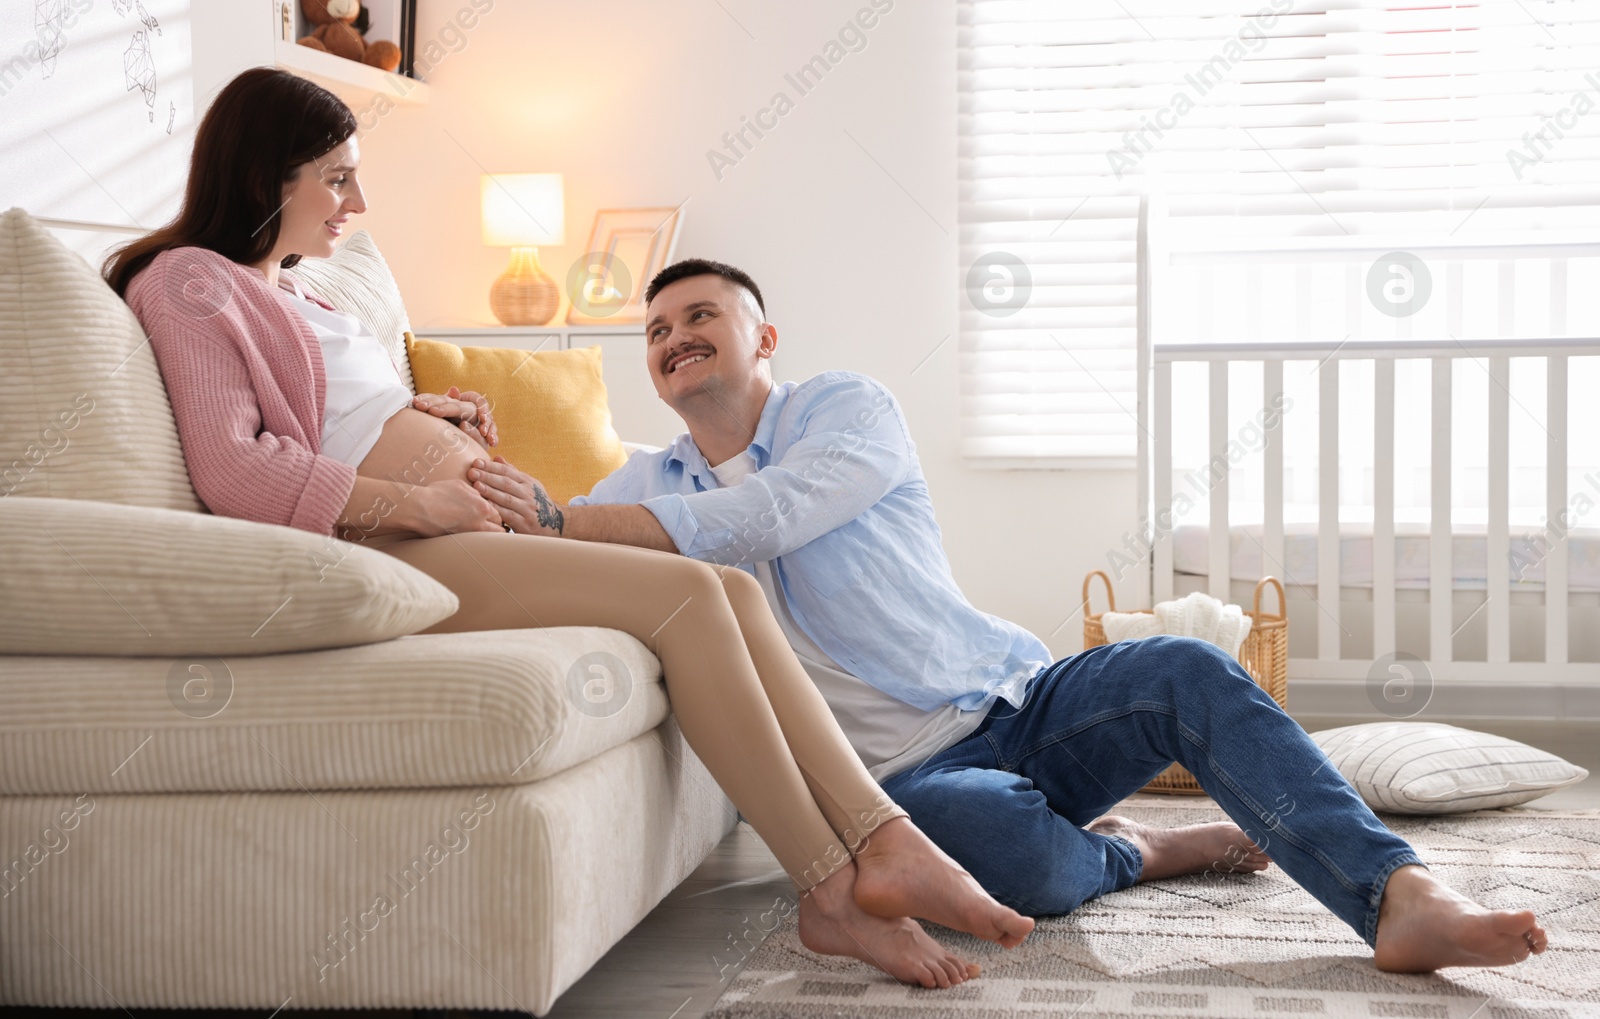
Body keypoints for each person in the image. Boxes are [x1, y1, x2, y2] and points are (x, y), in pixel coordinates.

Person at [103, 67, 1038, 990]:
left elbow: (316, 408)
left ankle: (883, 838)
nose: (359, 200)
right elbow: (236, 467)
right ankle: (831, 889)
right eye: (338, 176)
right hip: (399, 549)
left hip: (455, 529)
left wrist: (424, 412)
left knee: (733, 589)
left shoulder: (300, 288)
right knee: (685, 597)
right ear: (270, 174)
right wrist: (417, 496)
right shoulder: (190, 281)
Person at [473, 257, 1552, 973]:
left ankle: (1396, 893)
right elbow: (529, 529)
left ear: (764, 335)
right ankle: (1146, 851)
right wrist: (466, 451)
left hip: (1020, 700)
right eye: (656, 329)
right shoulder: (645, 485)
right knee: (1007, 853)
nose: (674, 335)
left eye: (701, 313)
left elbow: (770, 513)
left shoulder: (842, 408)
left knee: (1180, 664)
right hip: (900, 788)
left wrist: (566, 515)